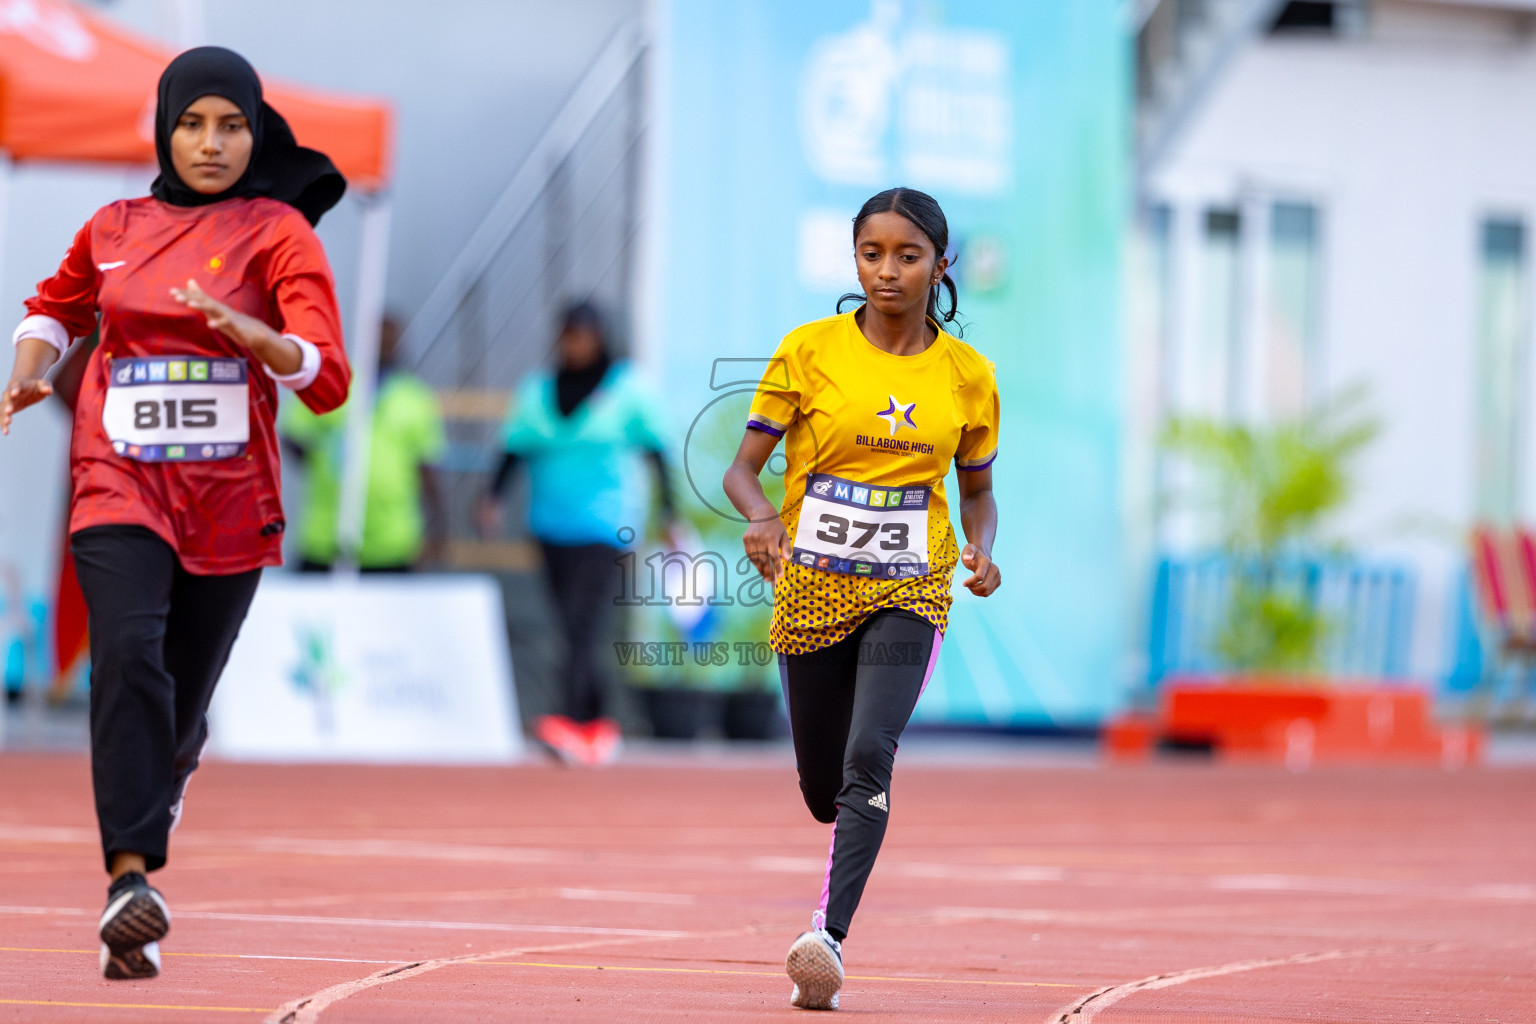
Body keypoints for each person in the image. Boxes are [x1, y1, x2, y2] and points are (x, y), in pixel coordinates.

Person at [0, 47, 350, 980]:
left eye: (230, 124)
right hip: (119, 480)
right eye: (192, 123)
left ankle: (143, 879)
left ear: (254, 131)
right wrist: (33, 366)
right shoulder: (113, 223)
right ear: (164, 127)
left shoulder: (278, 234)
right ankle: (128, 882)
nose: (210, 142)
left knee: (180, 709)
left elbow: (329, 377)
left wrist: (263, 340)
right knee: (125, 655)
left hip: (230, 502)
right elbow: (55, 308)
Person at [722, 187, 1001, 1011]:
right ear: (856, 260)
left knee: (869, 753)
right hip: (811, 589)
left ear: (940, 267)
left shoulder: (968, 377)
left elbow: (978, 491)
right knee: (823, 789)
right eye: (872, 254)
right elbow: (742, 469)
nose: (887, 271)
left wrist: (981, 548)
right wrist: (765, 520)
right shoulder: (809, 352)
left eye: (907, 256)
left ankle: (826, 940)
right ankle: (837, 820)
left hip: (912, 589)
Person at [478, 301, 676, 766]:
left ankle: (571, 718)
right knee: (568, 622)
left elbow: (657, 451)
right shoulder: (538, 390)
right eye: (569, 336)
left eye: (585, 336)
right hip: (550, 524)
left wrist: (669, 513)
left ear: (600, 338)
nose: (577, 345)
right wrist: (492, 498)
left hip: (606, 525)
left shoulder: (627, 388)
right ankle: (597, 724)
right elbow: (514, 449)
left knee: (584, 623)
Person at [281, 316, 447, 572]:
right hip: (327, 537)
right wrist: (325, 464)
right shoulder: (336, 381)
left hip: (391, 542)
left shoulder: (414, 396)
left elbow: (426, 465)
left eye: (391, 339)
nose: (386, 345)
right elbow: (294, 433)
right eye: (380, 338)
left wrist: (439, 526)